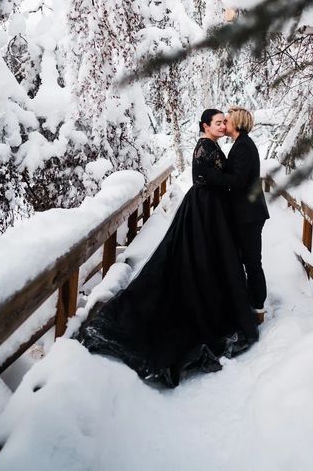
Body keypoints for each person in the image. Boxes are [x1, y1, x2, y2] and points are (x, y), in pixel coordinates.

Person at [77, 109, 258, 387]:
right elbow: (205, 177)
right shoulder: (205, 147)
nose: (223, 126)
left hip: (211, 210)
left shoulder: (214, 146)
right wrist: (231, 181)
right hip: (204, 210)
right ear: (205, 126)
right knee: (200, 260)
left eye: (225, 122)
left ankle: (220, 303)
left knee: (213, 262)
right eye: (218, 122)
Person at [203, 107, 269, 325]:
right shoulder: (240, 145)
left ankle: (257, 308)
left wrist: (212, 175)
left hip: (249, 215)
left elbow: (238, 181)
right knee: (245, 259)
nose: (224, 124)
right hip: (245, 212)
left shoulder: (243, 148)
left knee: (252, 260)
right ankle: (247, 303)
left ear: (237, 123)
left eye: (227, 120)